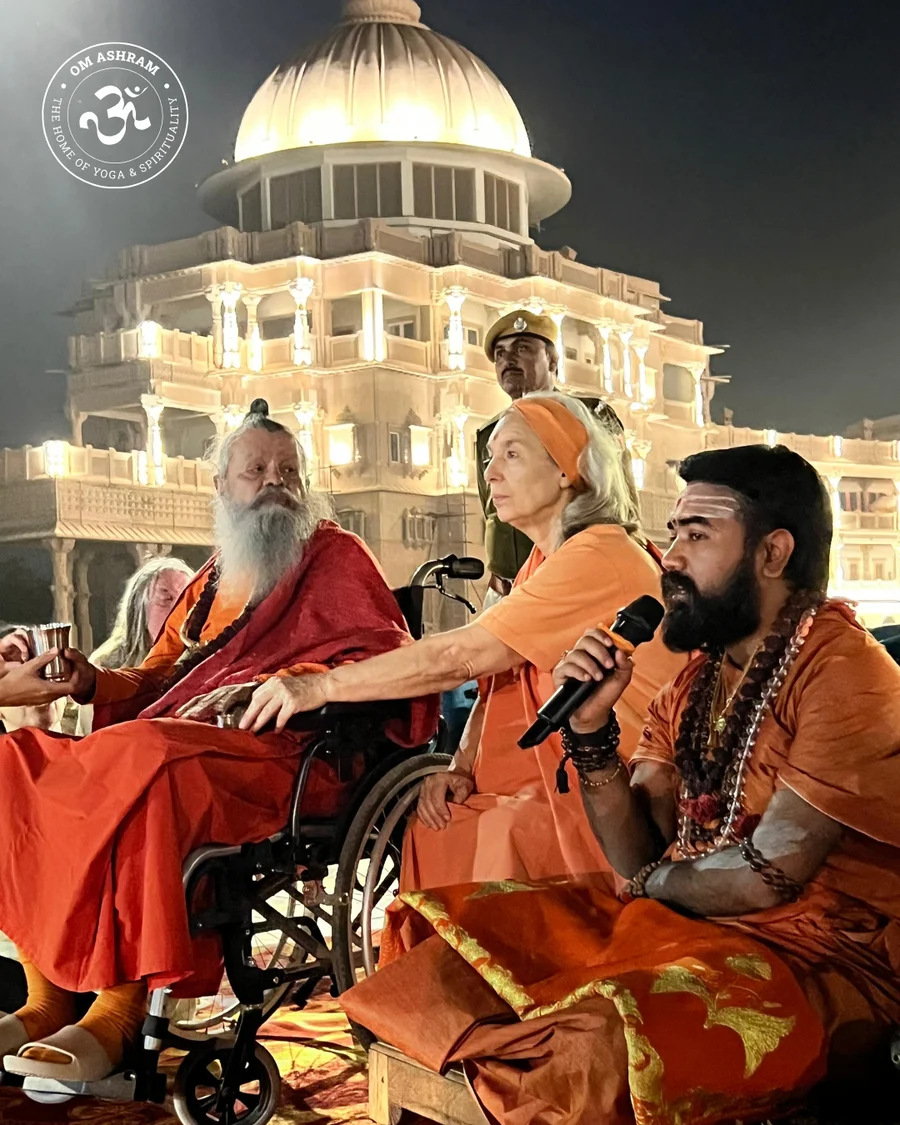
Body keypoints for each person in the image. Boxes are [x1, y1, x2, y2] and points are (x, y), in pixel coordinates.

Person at [340, 444, 900, 1125]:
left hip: (821, 962)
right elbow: (634, 853)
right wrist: (590, 729)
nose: (672, 559)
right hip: (681, 924)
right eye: (674, 533)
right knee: (434, 959)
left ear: (773, 553)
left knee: (591, 1048)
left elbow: (767, 875)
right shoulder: (695, 684)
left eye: (697, 536)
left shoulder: (844, 670)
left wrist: (649, 887)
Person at [0, 399, 436, 1084]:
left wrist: (288, 681)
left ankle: (118, 1015)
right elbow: (156, 676)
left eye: (288, 470)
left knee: (147, 759)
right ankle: (47, 998)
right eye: (256, 470)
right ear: (221, 486)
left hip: (293, 755)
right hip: (183, 742)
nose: (275, 482)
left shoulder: (336, 556)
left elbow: (381, 657)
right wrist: (92, 682)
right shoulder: (210, 579)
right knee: (16, 762)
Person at [235, 392, 683, 936]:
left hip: (625, 794)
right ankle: (452, 982)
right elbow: (500, 680)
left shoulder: (599, 553)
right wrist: (461, 767)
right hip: (559, 781)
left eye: (512, 454)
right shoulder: (547, 559)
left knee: (496, 831)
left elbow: (459, 657)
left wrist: (319, 687)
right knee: (438, 824)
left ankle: (500, 980)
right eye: (491, 457)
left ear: (568, 470)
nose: (491, 474)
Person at [476, 309, 637, 598]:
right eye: (500, 354)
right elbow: (492, 513)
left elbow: (622, 502)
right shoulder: (489, 433)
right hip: (506, 588)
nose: (508, 360)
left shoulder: (589, 416)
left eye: (522, 349)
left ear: (552, 360)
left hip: (571, 579)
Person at [75, 555, 195, 734]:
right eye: (167, 599)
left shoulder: (204, 666)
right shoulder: (106, 667)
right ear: (139, 608)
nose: (181, 612)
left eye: (188, 602)